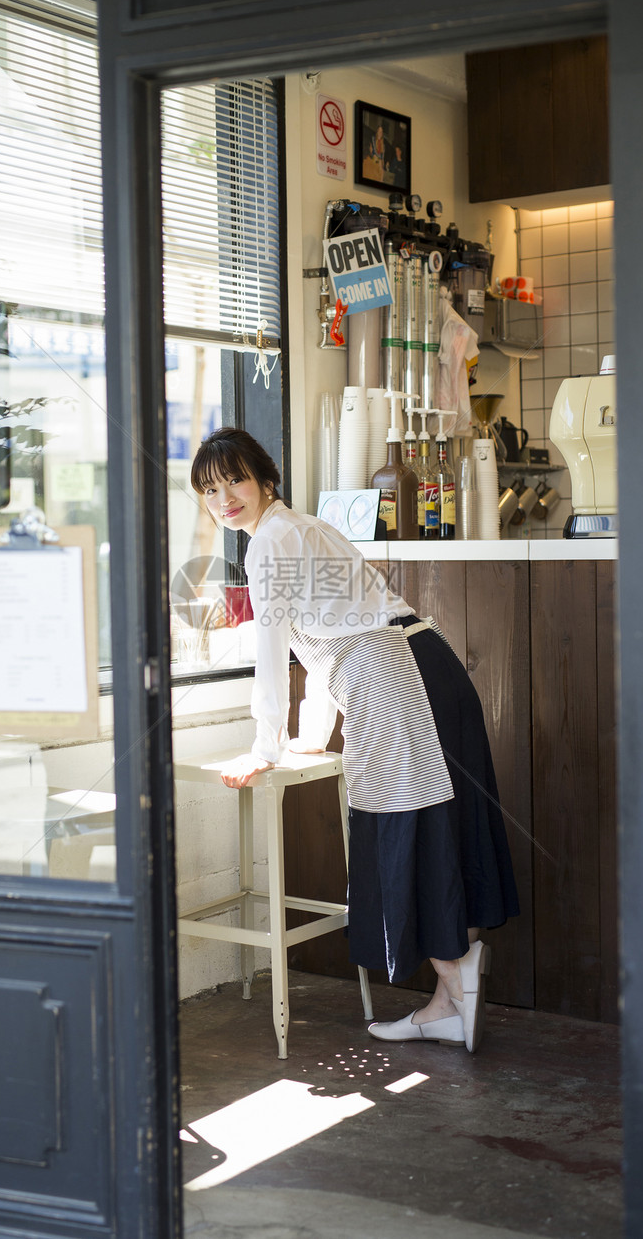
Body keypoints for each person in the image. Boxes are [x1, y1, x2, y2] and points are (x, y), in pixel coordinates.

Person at [190, 426, 519, 1053]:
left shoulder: (269, 545)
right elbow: (320, 647)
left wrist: (266, 748)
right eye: (210, 490)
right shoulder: (304, 528)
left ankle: (455, 974)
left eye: (234, 479)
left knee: (406, 822)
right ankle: (448, 998)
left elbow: (272, 653)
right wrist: (310, 736)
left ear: (263, 479)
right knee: (439, 819)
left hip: (394, 679)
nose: (225, 497)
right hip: (430, 665)